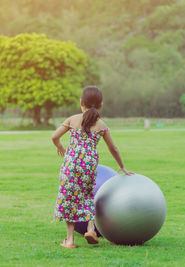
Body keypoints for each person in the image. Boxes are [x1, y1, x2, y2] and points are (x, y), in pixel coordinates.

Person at [51, 86, 133, 248]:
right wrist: (122, 166)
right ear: (100, 105)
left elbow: (54, 136)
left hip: (71, 164)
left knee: (69, 198)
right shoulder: (101, 125)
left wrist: (59, 145)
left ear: (81, 102)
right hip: (89, 165)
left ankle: (70, 240)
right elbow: (113, 148)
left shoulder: (72, 120)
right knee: (88, 195)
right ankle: (91, 229)